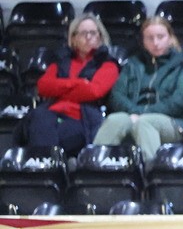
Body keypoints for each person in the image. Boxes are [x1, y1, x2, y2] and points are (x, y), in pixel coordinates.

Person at [93, 16, 183, 164]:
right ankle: (93, 165)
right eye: (150, 38)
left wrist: (142, 113)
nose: (155, 42)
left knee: (144, 123)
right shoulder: (132, 65)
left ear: (170, 38)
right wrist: (134, 112)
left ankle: (152, 171)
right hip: (132, 115)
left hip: (173, 122)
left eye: (160, 37)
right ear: (143, 41)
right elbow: (117, 95)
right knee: (114, 120)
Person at [24, 14, 119, 157]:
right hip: (52, 114)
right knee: (39, 116)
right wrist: (77, 83)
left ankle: (46, 163)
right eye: (83, 33)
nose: (88, 37)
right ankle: (50, 164)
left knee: (43, 134)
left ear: (100, 37)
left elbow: (94, 91)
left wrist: (59, 89)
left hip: (82, 119)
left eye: (93, 33)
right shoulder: (62, 61)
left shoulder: (108, 64)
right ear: (73, 38)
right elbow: (43, 86)